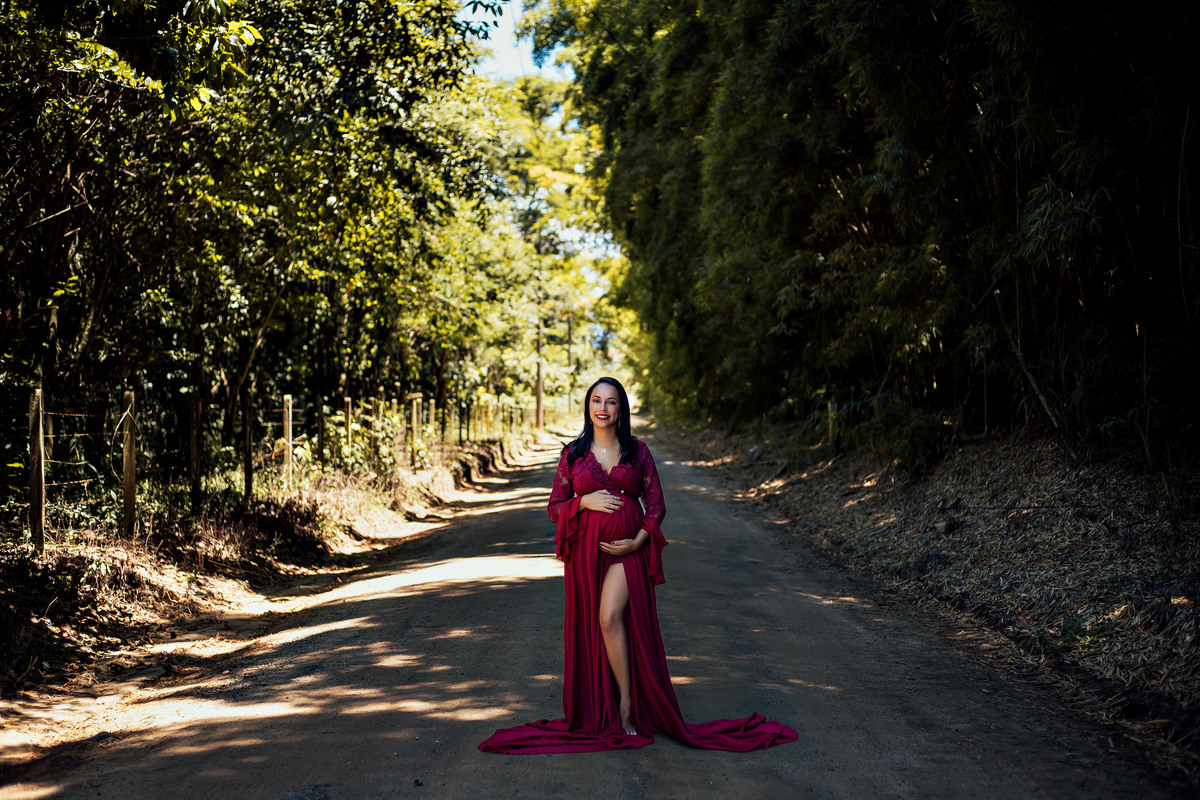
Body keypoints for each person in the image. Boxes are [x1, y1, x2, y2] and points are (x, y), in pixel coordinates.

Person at [479, 377, 798, 754]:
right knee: (597, 623)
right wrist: (583, 502)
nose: (603, 408)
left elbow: (657, 505)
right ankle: (604, 703)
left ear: (621, 409)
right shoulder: (573, 455)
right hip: (586, 553)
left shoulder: (637, 451)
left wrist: (638, 541)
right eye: (596, 400)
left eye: (611, 401)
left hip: (629, 549)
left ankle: (627, 703)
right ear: (588, 406)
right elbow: (554, 508)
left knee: (608, 617)